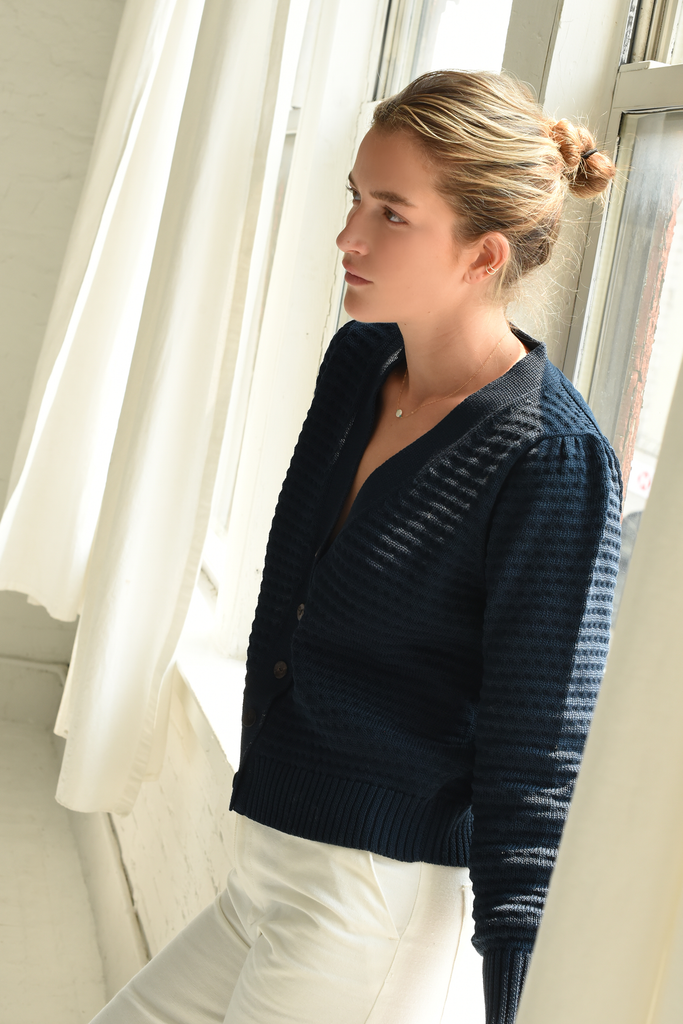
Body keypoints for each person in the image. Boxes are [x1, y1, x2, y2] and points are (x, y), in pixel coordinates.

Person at [91, 71, 621, 1024]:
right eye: (354, 198)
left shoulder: (551, 458)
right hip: (269, 863)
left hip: (372, 904)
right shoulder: (361, 363)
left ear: (481, 254)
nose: (348, 236)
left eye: (390, 213)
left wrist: (515, 997)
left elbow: (537, 759)